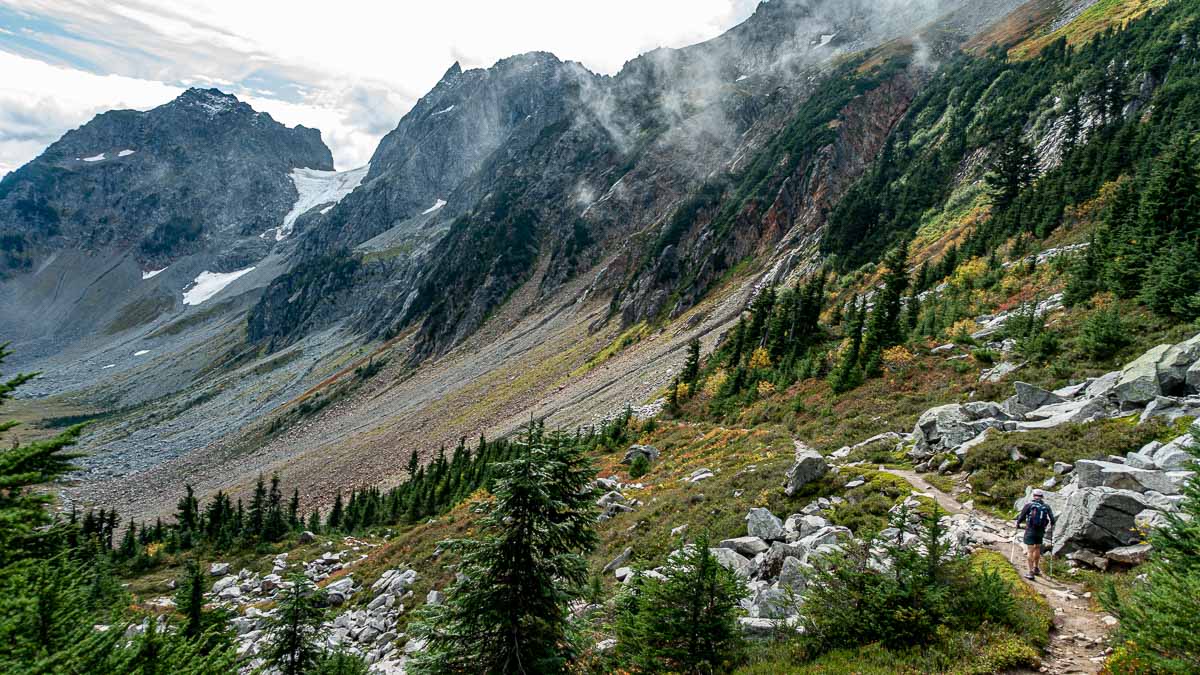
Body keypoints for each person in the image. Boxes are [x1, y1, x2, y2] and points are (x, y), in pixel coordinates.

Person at [1016, 489, 1057, 580]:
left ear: (1034, 496)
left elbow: (1021, 516)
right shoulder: (1046, 506)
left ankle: (1031, 573)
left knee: (1030, 550)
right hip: (1040, 531)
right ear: (1042, 497)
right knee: (1037, 548)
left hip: (1030, 530)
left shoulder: (1029, 505)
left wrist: (1018, 523)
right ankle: (1036, 568)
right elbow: (1052, 520)